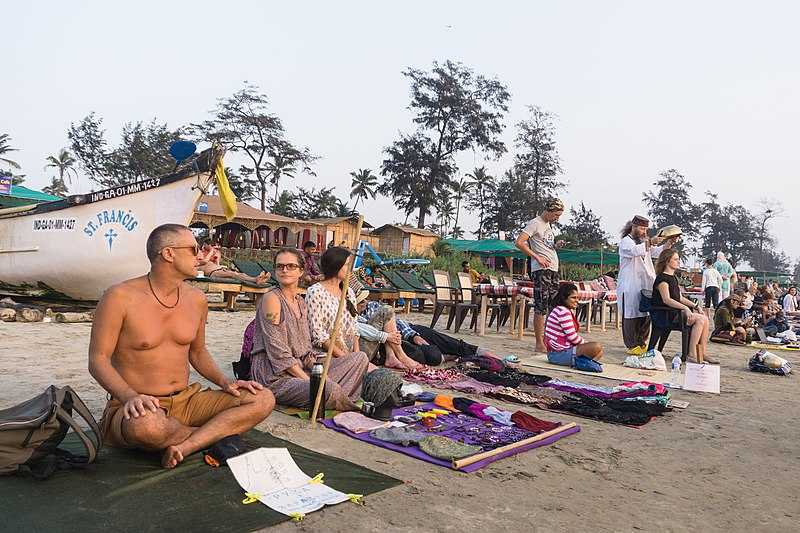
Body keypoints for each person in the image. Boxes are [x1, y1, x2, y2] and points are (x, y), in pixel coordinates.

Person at [88, 224, 274, 468]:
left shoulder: (196, 299)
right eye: (193, 249)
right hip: (137, 405)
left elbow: (197, 352)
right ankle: (211, 434)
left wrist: (224, 382)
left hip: (186, 400)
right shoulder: (119, 297)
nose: (200, 256)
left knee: (263, 399)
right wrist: (130, 397)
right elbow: (98, 360)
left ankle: (186, 444)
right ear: (168, 253)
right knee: (147, 427)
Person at [249, 248, 368, 411]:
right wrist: (310, 381)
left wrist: (317, 372)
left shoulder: (301, 303)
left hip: (301, 368)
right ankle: (337, 399)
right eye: (280, 266)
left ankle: (332, 397)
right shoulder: (272, 299)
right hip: (275, 375)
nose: (284, 270)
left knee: (359, 359)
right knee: (326, 389)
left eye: (291, 266)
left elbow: (305, 350)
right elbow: (278, 353)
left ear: (301, 271)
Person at [616, 215, 675, 355]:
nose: (644, 231)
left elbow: (655, 252)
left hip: (645, 284)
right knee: (630, 315)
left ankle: (642, 342)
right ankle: (632, 345)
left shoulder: (644, 242)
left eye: (646, 229)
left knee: (645, 313)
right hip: (630, 285)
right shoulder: (626, 242)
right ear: (634, 227)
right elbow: (634, 251)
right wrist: (650, 242)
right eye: (642, 228)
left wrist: (668, 244)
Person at [514, 197, 566, 353]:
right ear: (548, 211)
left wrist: (556, 245)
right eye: (556, 215)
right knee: (541, 305)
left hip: (553, 269)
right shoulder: (535, 223)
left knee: (553, 305)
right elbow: (519, 242)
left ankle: (550, 340)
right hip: (541, 270)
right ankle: (539, 343)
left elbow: (546, 246)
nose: (557, 218)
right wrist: (536, 257)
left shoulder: (548, 226)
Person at [305, 247, 368, 365]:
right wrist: (346, 358)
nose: (350, 269)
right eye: (347, 265)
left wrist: (356, 356)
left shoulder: (348, 292)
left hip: (349, 354)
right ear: (335, 265)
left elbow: (354, 329)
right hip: (325, 356)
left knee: (377, 373)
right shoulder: (315, 292)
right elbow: (318, 334)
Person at [652, 249, 715, 364]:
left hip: (675, 312)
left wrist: (696, 306)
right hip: (665, 315)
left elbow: (679, 298)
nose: (678, 262)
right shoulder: (662, 279)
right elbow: (667, 299)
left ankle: (701, 353)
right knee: (700, 320)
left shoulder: (673, 278)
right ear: (667, 261)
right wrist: (685, 308)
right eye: (675, 259)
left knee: (705, 318)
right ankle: (691, 354)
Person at [355, 291, 424, 370]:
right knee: (387, 310)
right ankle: (401, 356)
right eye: (361, 301)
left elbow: (395, 320)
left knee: (388, 310)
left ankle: (391, 356)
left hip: (383, 341)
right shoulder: (346, 311)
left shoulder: (371, 306)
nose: (365, 302)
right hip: (360, 350)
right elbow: (356, 326)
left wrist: (411, 334)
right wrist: (386, 336)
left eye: (365, 299)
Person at [544, 283, 603, 367]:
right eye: (573, 298)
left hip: (554, 354)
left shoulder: (559, 309)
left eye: (577, 298)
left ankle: (585, 363)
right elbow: (573, 338)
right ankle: (582, 364)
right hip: (558, 355)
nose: (577, 300)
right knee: (596, 347)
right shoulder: (563, 311)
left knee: (599, 352)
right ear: (564, 298)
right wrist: (586, 344)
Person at [196, 238, 271, 285]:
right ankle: (255, 279)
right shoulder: (196, 261)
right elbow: (205, 261)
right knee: (234, 274)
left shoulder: (205, 257)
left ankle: (257, 279)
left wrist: (217, 260)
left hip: (219, 269)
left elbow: (216, 263)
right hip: (213, 273)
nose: (201, 252)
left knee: (239, 274)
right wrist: (211, 250)